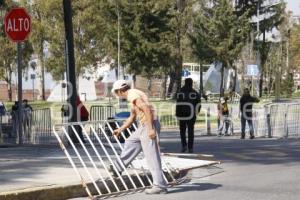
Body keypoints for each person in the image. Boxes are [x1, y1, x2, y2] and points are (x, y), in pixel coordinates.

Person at [110, 80, 167, 194]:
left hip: (148, 124)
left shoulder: (132, 94)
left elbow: (146, 108)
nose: (116, 95)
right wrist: (120, 129)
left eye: (116, 92)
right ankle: (118, 168)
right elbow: (132, 117)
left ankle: (159, 185)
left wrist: (151, 129)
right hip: (143, 125)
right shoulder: (133, 96)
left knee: (151, 155)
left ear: (120, 90)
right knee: (131, 142)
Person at [176, 78, 201, 153]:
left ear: (185, 83)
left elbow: (178, 104)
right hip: (191, 114)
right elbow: (199, 104)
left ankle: (184, 146)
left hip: (182, 114)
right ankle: (190, 148)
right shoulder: (195, 92)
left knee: (182, 131)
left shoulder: (180, 92)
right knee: (190, 131)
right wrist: (197, 112)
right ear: (191, 83)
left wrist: (177, 114)